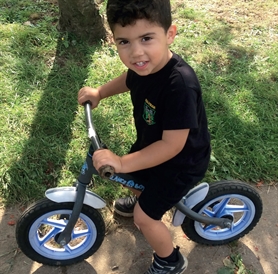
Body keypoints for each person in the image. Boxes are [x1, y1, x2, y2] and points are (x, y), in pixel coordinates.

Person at [78, 0, 211, 273]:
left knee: (145, 218)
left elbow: (172, 145)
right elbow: (129, 79)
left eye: (146, 38)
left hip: (180, 164)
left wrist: (123, 162)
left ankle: (169, 261)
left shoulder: (180, 85)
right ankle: (144, 196)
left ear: (170, 34)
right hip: (153, 146)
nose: (136, 52)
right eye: (123, 42)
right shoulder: (143, 67)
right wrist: (100, 92)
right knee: (133, 178)